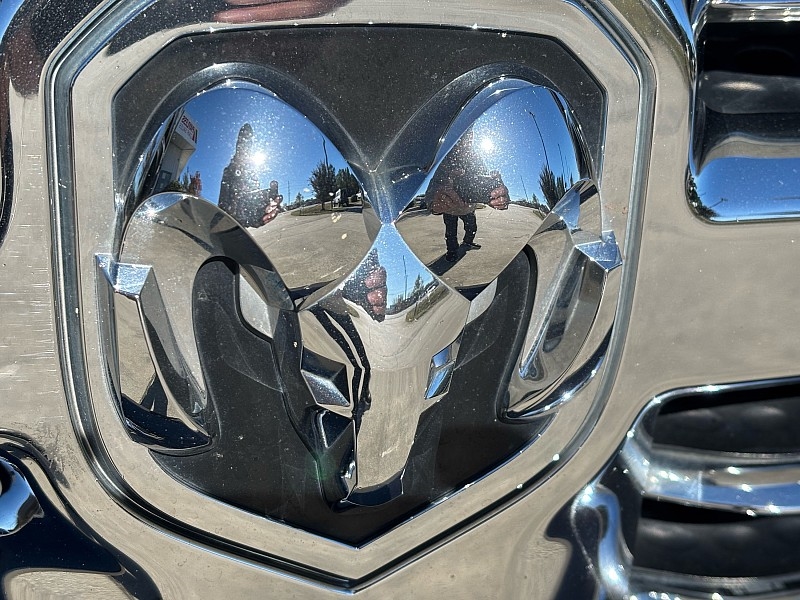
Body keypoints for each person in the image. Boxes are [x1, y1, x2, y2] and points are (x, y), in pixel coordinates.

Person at [427, 128, 510, 262]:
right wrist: (434, 203)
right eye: (464, 133)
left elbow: (485, 179)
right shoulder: (445, 159)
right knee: (450, 233)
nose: (467, 137)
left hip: (469, 208)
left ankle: (468, 242)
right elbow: (432, 187)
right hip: (449, 208)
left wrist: (498, 193)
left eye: (470, 133)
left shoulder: (477, 158)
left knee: (472, 228)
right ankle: (452, 252)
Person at [218, 124, 282, 227]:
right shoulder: (230, 171)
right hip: (222, 227)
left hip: (237, 230)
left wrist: (256, 218)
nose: (246, 144)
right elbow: (223, 210)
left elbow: (247, 205)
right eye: (243, 139)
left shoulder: (251, 173)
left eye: (249, 141)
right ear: (238, 143)